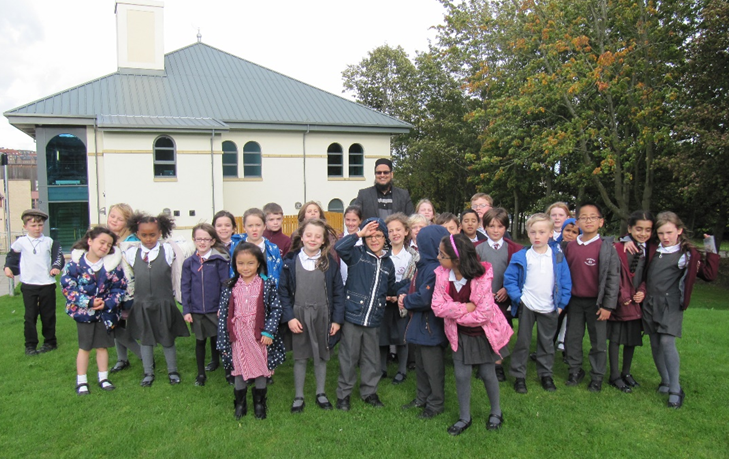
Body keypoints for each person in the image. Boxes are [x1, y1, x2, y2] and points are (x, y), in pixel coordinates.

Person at [431, 233, 513, 435]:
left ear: (457, 260)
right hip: (459, 335)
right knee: (461, 375)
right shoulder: (442, 275)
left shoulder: (483, 275)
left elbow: (483, 314)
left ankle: (496, 411)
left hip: (484, 334)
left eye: (442, 255)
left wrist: (453, 312)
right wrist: (465, 308)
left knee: (487, 373)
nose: (438, 258)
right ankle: (464, 417)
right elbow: (437, 307)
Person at [643, 212, 718, 408]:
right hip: (650, 303)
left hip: (672, 303)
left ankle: (676, 388)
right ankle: (665, 381)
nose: (665, 237)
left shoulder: (688, 254)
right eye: (660, 233)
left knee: (667, 341)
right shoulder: (652, 249)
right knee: (656, 343)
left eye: (669, 232)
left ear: (679, 231)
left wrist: (710, 246)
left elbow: (709, 275)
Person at [334, 218, 408, 410]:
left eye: (379, 236)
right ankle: (344, 394)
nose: (374, 240)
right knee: (349, 357)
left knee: (371, 358)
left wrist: (408, 284)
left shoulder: (388, 263)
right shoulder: (357, 254)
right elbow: (339, 247)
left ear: (385, 238)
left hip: (374, 319)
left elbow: (390, 287)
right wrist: (359, 233)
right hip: (353, 316)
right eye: (370, 236)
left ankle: (369, 392)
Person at [279, 219, 345, 413]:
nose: (313, 239)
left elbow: (338, 292)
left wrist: (337, 320)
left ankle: (320, 392)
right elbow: (283, 292)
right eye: (309, 235)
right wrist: (289, 317)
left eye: (318, 236)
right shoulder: (290, 262)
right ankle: (299, 395)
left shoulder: (329, 263)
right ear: (301, 236)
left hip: (323, 315)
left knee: (321, 355)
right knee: (300, 356)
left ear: (324, 240)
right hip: (298, 316)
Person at [217, 242, 286, 419]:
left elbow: (276, 309)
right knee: (239, 368)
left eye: (250, 263)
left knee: (260, 367)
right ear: (235, 264)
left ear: (258, 263)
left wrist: (269, 332)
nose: (245, 267)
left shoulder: (267, 284)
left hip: (259, 335)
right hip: (238, 335)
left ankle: (259, 403)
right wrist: (224, 337)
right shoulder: (229, 286)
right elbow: (224, 312)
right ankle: (240, 404)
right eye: (241, 263)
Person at [504, 214, 572, 394]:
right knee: (523, 342)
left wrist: (561, 304)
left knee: (546, 343)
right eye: (533, 232)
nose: (537, 236)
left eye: (542, 232)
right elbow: (510, 279)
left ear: (550, 233)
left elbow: (565, 281)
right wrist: (519, 298)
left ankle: (546, 374)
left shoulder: (557, 256)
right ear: (528, 233)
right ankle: (519, 375)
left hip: (550, 306)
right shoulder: (522, 255)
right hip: (528, 305)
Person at [125, 212, 190, 387]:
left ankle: (173, 371)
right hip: (142, 304)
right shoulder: (131, 253)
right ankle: (148, 372)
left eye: (152, 234)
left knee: (167, 338)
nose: (148, 239)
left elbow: (184, 251)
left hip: (164, 303)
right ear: (137, 234)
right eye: (143, 235)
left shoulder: (168, 250)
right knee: (146, 339)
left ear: (160, 233)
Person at [61, 227, 127, 395]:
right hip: (84, 314)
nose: (105, 247)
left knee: (102, 346)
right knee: (85, 347)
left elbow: (120, 289)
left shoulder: (113, 266)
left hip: (105, 314)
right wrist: (88, 302)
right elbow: (69, 289)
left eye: (109, 245)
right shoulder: (75, 265)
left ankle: (103, 377)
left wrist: (107, 304)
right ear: (90, 241)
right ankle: (81, 381)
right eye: (102, 242)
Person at [562, 203, 619, 392]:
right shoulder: (569, 247)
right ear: (577, 222)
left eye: (592, 217)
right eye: (583, 217)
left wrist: (608, 306)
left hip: (597, 303)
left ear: (601, 222)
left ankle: (597, 376)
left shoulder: (606, 248)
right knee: (573, 338)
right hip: (575, 302)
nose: (588, 221)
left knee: (598, 342)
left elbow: (612, 278)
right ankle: (575, 370)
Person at [398, 225, 449, 419]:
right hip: (420, 326)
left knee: (432, 368)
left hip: (431, 327)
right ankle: (422, 397)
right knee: (420, 365)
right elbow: (411, 285)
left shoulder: (435, 269)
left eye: (421, 242)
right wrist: (403, 292)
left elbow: (426, 298)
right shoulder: (423, 265)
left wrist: (406, 300)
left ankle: (435, 403)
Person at [4, 209, 64, 355]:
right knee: (30, 316)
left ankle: (50, 342)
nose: (37, 228)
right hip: (29, 284)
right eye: (33, 225)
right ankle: (30, 345)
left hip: (46, 284)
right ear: (25, 227)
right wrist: (8, 268)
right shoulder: (21, 242)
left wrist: (56, 267)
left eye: (39, 225)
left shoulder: (49, 242)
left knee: (48, 315)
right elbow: (12, 257)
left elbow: (58, 257)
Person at [476, 207, 524, 380]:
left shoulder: (514, 249)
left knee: (502, 330)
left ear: (505, 228)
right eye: (492, 226)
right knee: (483, 331)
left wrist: (507, 289)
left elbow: (518, 274)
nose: (496, 230)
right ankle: (483, 364)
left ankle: (498, 364)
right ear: (485, 227)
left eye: (500, 227)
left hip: (504, 298)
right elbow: (474, 274)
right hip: (484, 298)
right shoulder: (478, 249)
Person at [608, 211, 653, 393]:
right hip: (621, 301)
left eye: (647, 230)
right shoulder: (619, 247)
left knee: (631, 340)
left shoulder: (650, 250)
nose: (643, 233)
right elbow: (614, 274)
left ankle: (626, 372)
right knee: (615, 339)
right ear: (630, 229)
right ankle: (614, 375)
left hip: (636, 302)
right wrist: (623, 295)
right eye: (638, 229)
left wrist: (642, 291)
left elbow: (649, 275)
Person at [181, 223, 230, 387]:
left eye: (206, 239)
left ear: (212, 241)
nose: (202, 242)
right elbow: (185, 287)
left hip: (214, 309)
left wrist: (222, 308)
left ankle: (229, 371)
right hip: (196, 310)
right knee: (200, 341)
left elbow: (225, 285)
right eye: (198, 239)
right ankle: (201, 374)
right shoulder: (189, 263)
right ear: (194, 240)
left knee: (221, 340)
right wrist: (187, 310)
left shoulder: (219, 260)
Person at [379, 213, 417, 384]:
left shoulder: (412, 256)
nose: (395, 233)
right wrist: (387, 294)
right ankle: (381, 368)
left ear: (406, 232)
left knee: (401, 335)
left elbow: (411, 279)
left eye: (398, 230)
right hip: (384, 300)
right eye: (390, 230)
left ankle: (402, 369)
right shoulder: (382, 254)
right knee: (383, 334)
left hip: (402, 300)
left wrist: (399, 295)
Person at [106, 203, 143, 374]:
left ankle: (142, 354)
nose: (114, 220)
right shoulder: (105, 238)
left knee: (118, 324)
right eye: (112, 216)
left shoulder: (132, 241)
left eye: (119, 219)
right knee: (114, 323)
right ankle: (122, 359)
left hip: (128, 290)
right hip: (109, 289)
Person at [236, 208, 283, 285]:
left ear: (264, 226)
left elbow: (280, 273)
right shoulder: (237, 248)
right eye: (250, 226)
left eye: (258, 225)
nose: (254, 229)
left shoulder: (273, 249)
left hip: (267, 293)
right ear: (244, 227)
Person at [339, 205, 363, 284]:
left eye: (354, 220)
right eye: (348, 220)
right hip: (341, 281)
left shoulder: (365, 240)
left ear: (360, 221)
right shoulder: (339, 238)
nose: (350, 223)